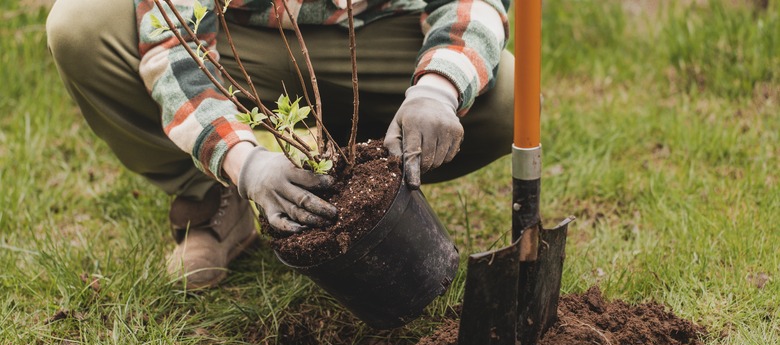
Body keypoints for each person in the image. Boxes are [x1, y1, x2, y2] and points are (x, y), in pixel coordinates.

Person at [46, 0, 514, 289]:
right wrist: (243, 163)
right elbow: (173, 45)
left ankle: (372, 175)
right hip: (240, 36)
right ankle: (211, 194)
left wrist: (437, 88)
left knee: (509, 97)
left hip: (372, 30)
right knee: (81, 25)